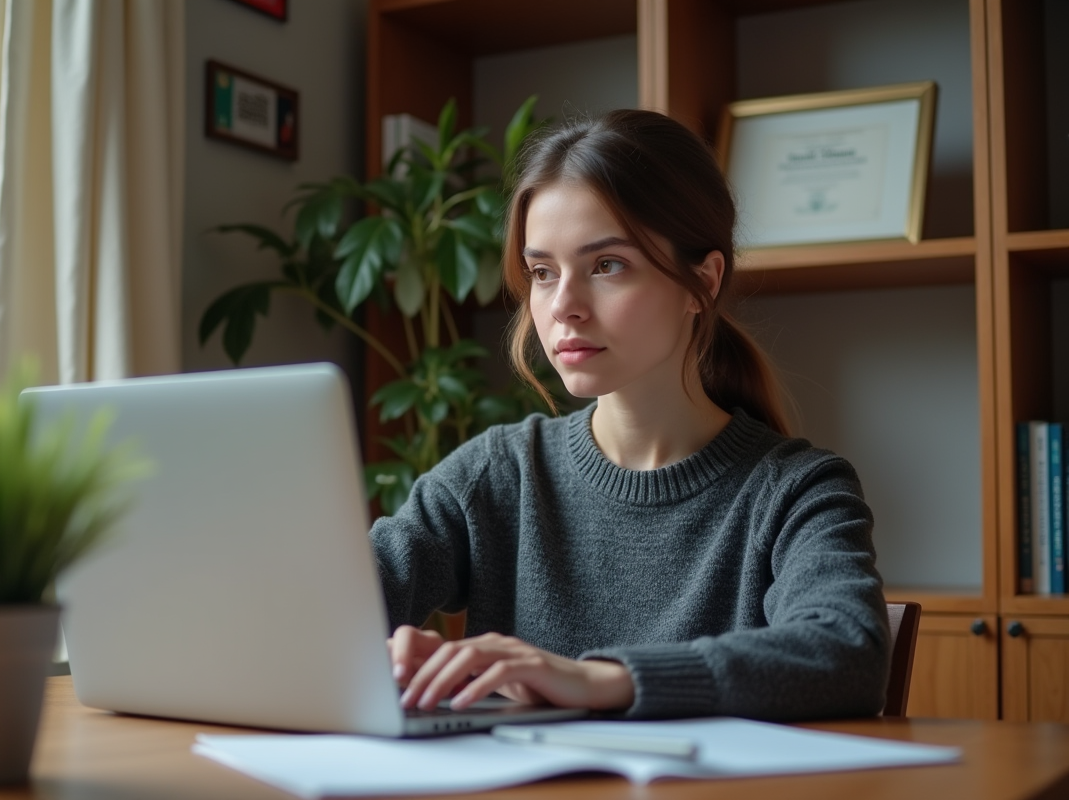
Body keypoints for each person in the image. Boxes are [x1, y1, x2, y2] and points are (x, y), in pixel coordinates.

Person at [370, 109, 889, 721]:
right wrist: (388, 653)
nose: (564, 306)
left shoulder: (797, 489)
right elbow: (326, 608)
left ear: (702, 282)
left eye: (607, 265)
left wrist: (598, 680)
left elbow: (846, 653)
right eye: (542, 272)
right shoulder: (496, 473)